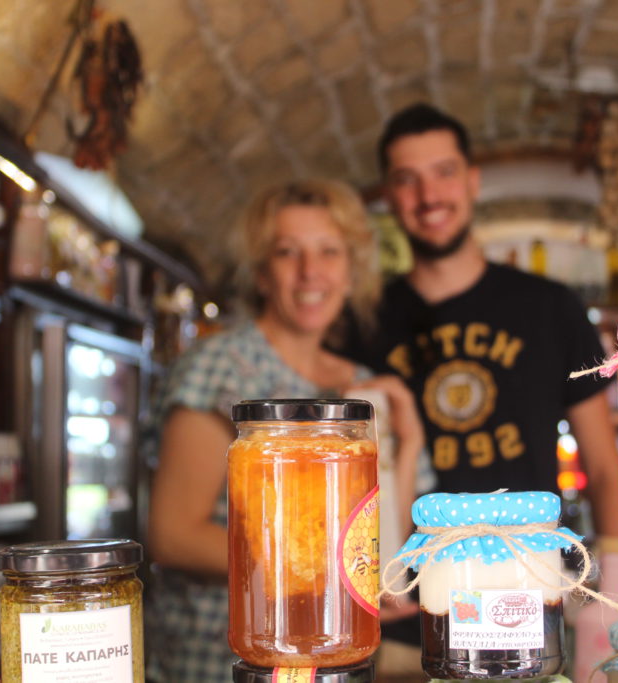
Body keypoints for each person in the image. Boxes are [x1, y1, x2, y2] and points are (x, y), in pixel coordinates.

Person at [344, 103, 618, 679]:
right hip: (397, 618)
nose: (429, 195)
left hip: (522, 603)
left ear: (473, 181)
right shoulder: (362, 322)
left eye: (444, 172)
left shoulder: (552, 308)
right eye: (406, 179)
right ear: (389, 196)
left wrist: (613, 592)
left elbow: (602, 461)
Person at [144, 178, 427, 682]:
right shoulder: (221, 367)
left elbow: (386, 554)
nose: (310, 271)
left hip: (337, 657)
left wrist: (409, 446)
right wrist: (328, 579)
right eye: (286, 252)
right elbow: (172, 534)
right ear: (261, 273)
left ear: (352, 268)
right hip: (221, 657)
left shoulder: (368, 388)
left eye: (329, 251)